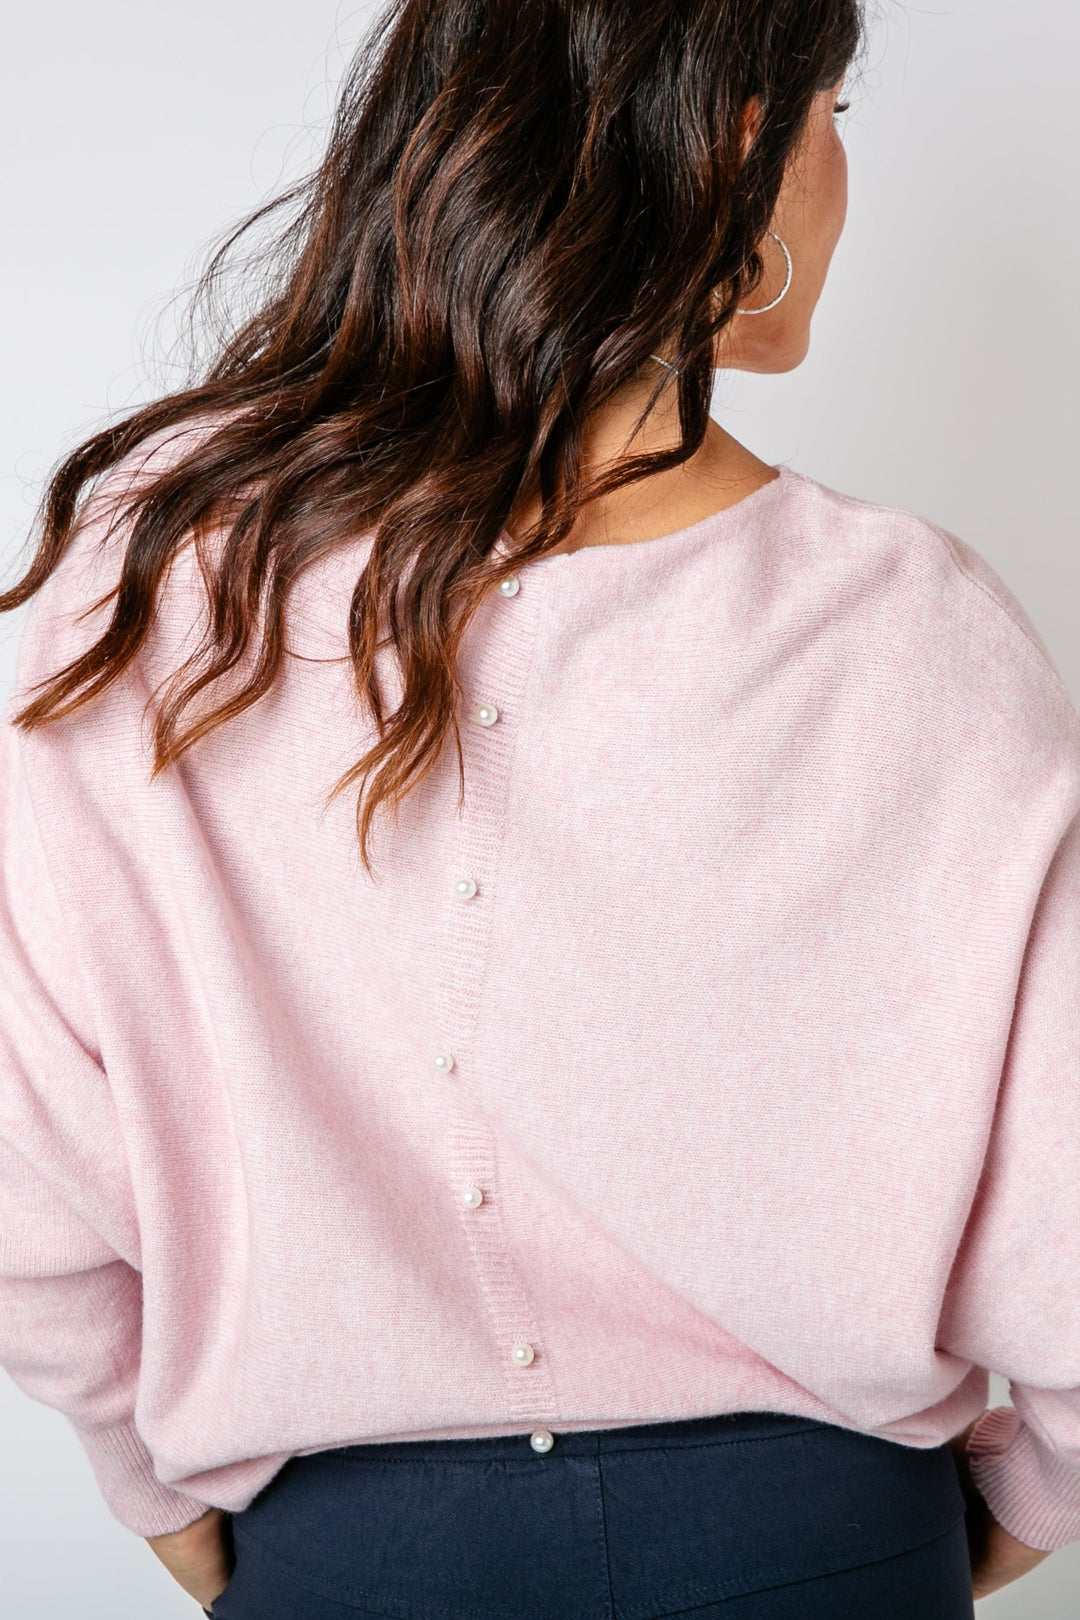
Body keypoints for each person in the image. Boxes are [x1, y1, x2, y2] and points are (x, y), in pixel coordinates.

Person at [2, 0, 1078, 1614]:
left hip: (356, 1558)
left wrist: (155, 1486)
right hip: (817, 1544)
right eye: (834, 112)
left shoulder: (157, 595)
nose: (842, 163)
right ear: (737, 146)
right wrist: (1032, 1495)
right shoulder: (915, 630)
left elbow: (23, 1154)